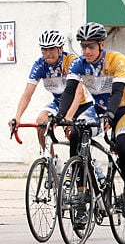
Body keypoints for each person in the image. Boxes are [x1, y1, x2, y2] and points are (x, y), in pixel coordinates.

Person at [55, 22, 125, 224]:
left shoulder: (117, 60)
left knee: (124, 147)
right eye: (83, 46)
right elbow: (69, 91)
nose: (86, 51)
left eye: (90, 46)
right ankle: (82, 190)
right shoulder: (79, 64)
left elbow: (118, 92)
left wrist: (111, 115)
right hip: (100, 109)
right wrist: (61, 116)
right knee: (76, 132)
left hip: (124, 108)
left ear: (102, 44)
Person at [9, 30, 95, 161]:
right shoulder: (40, 65)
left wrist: (68, 118)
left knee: (76, 136)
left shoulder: (72, 62)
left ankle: (92, 168)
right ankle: (53, 161)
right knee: (41, 122)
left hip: (82, 104)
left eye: (52, 49)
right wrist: (17, 117)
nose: (48, 53)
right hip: (59, 103)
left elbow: (78, 93)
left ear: (60, 49)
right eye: (44, 50)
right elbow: (27, 94)